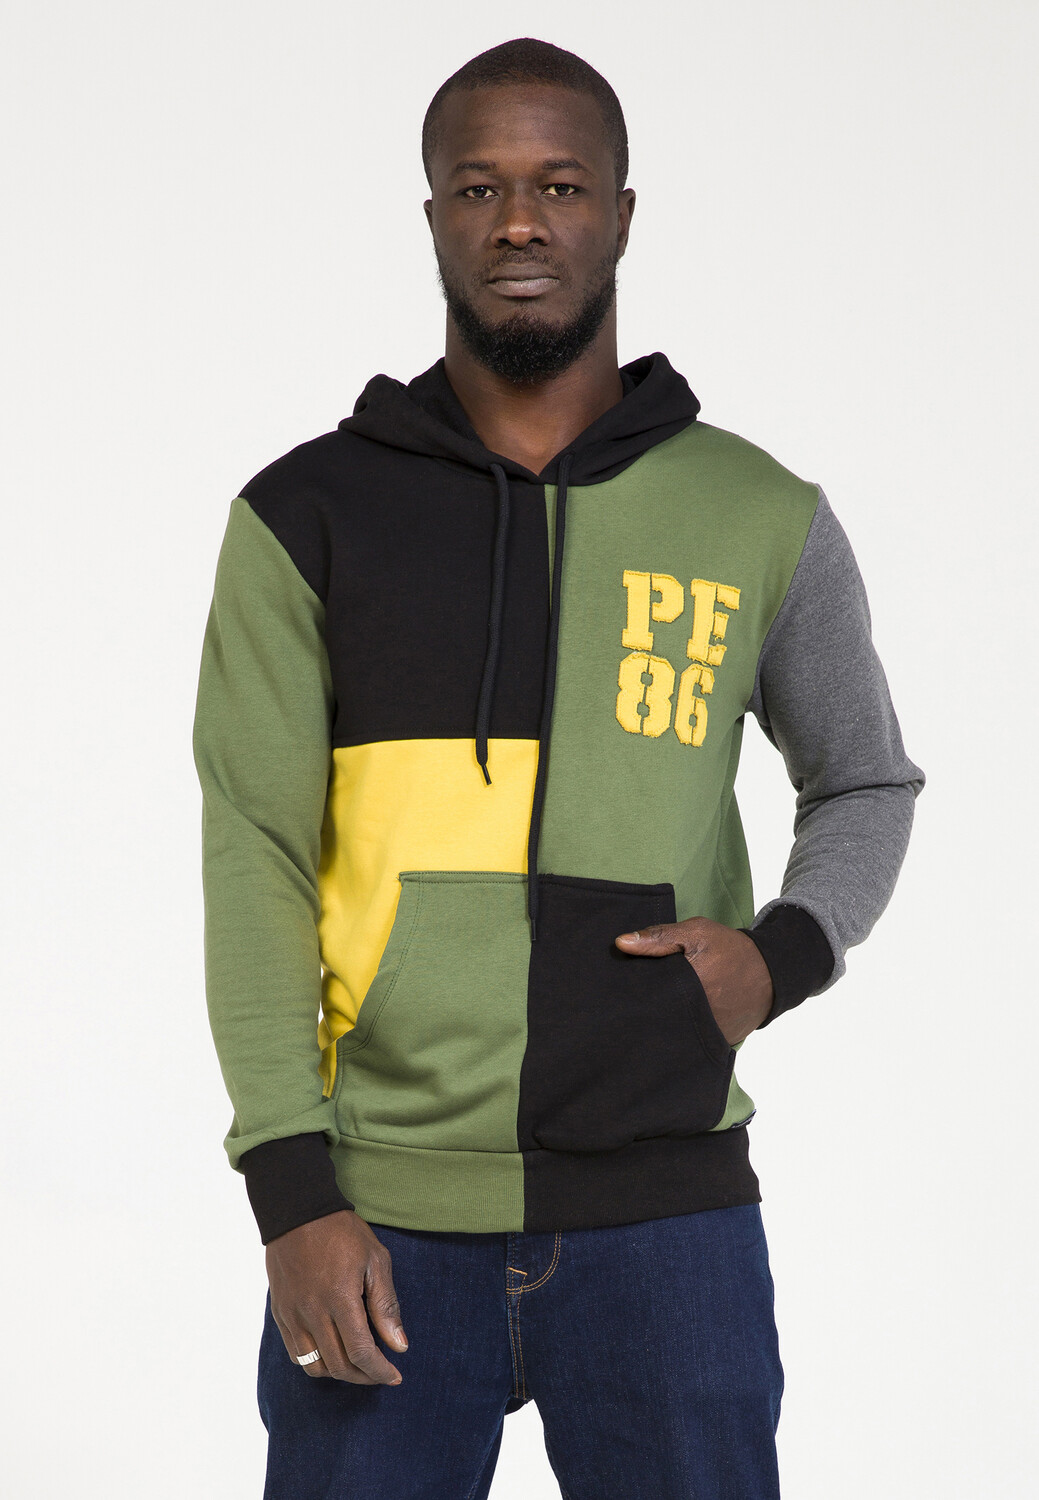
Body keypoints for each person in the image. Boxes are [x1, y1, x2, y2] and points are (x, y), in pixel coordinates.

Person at [191, 36, 925, 1500]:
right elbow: (254, 853)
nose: (520, 221)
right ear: (434, 218)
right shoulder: (304, 516)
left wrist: (781, 956)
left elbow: (864, 781)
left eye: (561, 185)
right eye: (480, 187)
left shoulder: (757, 512)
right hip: (377, 1219)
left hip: (670, 1223)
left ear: (622, 215)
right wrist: (291, 1193)